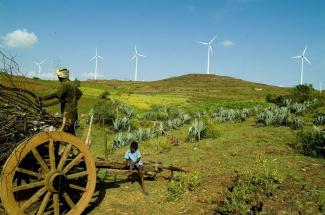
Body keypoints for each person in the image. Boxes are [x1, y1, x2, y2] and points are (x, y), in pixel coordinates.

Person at [39, 68, 82, 135]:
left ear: (61, 77)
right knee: (71, 131)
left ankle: (71, 144)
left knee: (67, 131)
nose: (58, 78)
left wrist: (43, 98)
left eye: (58, 77)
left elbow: (56, 95)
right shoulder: (71, 84)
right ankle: (72, 144)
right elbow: (80, 93)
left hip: (67, 112)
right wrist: (73, 100)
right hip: (73, 111)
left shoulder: (64, 84)